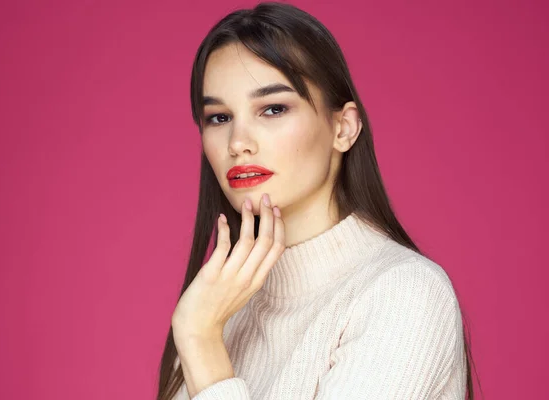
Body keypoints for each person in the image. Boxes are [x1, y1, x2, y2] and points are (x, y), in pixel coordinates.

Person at [157, 2, 477, 399]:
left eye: (273, 108)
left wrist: (201, 343)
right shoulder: (218, 311)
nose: (238, 143)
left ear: (343, 128)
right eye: (219, 117)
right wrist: (200, 334)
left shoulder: (404, 293)